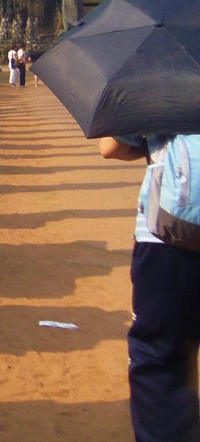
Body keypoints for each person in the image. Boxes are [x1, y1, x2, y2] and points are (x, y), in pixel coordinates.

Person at [101, 133, 200, 441]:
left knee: (160, 357)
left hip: (167, 236)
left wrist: (155, 142)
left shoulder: (159, 101)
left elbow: (110, 148)